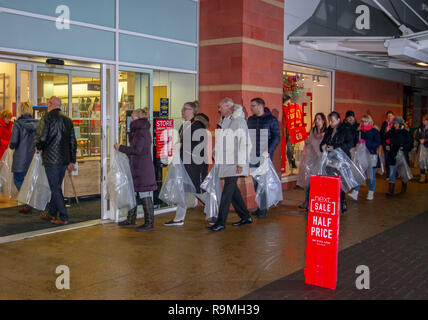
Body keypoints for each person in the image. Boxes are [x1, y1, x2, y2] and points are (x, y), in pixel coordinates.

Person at [207, 98, 252, 232]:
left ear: (228, 106)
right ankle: (245, 216)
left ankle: (221, 222)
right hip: (226, 160)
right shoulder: (224, 121)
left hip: (235, 162)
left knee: (227, 192)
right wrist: (215, 150)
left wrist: (240, 163)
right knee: (233, 191)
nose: (219, 109)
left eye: (220, 107)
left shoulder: (239, 121)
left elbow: (244, 143)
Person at [164, 101, 210, 226]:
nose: (183, 111)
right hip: (185, 163)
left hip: (196, 164)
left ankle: (215, 210)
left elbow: (198, 145)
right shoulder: (185, 125)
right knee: (183, 190)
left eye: (186, 109)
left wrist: (182, 146)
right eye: (183, 108)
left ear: (192, 111)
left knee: (197, 189)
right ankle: (178, 218)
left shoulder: (198, 125)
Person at [114, 108, 157, 231]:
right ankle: (131, 219)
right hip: (138, 167)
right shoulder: (139, 130)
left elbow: (137, 150)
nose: (130, 120)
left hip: (142, 168)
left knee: (144, 193)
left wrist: (120, 147)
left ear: (138, 118)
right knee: (133, 192)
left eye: (132, 118)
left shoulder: (141, 131)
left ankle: (149, 223)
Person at [36, 96, 77, 225]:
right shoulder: (68, 120)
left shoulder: (46, 118)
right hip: (64, 160)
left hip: (51, 159)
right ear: (60, 105)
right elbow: (72, 142)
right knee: (57, 187)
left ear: (50, 104)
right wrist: (72, 160)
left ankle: (64, 217)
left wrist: (39, 148)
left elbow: (42, 137)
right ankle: (52, 213)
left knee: (55, 188)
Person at [247, 97, 281, 218]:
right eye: (251, 106)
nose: (251, 108)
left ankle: (264, 208)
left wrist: (269, 150)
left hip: (264, 156)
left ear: (260, 106)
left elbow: (277, 136)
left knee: (263, 182)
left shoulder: (271, 120)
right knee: (256, 182)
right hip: (253, 156)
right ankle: (261, 206)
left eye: (253, 106)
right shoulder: (250, 120)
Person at [320, 111, 354, 214]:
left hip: (341, 159)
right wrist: (322, 146)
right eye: (330, 121)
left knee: (340, 181)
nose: (331, 123)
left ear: (338, 120)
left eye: (333, 121)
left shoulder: (345, 129)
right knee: (331, 180)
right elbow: (324, 141)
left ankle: (342, 201)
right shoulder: (329, 130)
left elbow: (350, 143)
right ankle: (333, 201)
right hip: (330, 159)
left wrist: (335, 147)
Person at [9, 102, 38, 213]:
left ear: (20, 110)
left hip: (20, 158)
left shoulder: (18, 124)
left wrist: (11, 146)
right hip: (32, 157)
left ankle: (28, 201)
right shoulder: (36, 124)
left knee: (18, 179)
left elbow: (14, 141)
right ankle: (30, 200)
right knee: (29, 179)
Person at [347, 115, 381, 201]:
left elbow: (377, 144)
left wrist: (366, 143)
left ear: (370, 122)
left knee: (371, 175)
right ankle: (355, 192)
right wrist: (357, 143)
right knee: (358, 173)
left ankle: (371, 192)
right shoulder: (359, 131)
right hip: (361, 156)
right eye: (363, 121)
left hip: (371, 156)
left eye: (366, 121)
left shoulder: (374, 132)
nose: (364, 123)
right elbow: (354, 141)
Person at [298, 112, 327, 210]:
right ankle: (307, 201)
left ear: (323, 120)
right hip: (312, 160)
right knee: (309, 182)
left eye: (319, 119)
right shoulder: (313, 131)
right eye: (316, 119)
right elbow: (309, 142)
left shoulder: (326, 132)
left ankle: (316, 202)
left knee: (318, 183)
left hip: (321, 160)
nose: (317, 121)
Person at [385, 116, 413, 197]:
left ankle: (403, 188)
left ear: (401, 124)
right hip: (393, 155)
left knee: (403, 173)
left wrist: (403, 147)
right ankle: (391, 190)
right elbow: (384, 137)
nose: (395, 125)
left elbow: (410, 144)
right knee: (392, 172)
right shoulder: (392, 131)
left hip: (402, 155)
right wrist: (387, 132)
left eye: (397, 124)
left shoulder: (406, 133)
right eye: (394, 124)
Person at [282, 95, 297, 174]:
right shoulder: (284, 109)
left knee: (289, 149)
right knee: (287, 150)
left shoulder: (289, 109)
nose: (290, 103)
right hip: (285, 132)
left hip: (289, 132)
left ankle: (291, 165)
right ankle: (289, 166)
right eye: (289, 101)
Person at [380, 111, 395, 178]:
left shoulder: (395, 124)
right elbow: (381, 135)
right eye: (388, 116)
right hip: (386, 145)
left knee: (394, 159)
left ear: (393, 116)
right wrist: (385, 145)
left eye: (391, 116)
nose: (389, 117)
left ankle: (394, 174)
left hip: (393, 145)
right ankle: (388, 174)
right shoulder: (384, 123)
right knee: (387, 159)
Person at [415, 115, 428, 183]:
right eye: (422, 120)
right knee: (421, 161)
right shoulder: (420, 128)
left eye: (424, 120)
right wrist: (420, 140)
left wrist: (425, 140)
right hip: (421, 148)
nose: (423, 121)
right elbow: (416, 136)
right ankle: (422, 176)